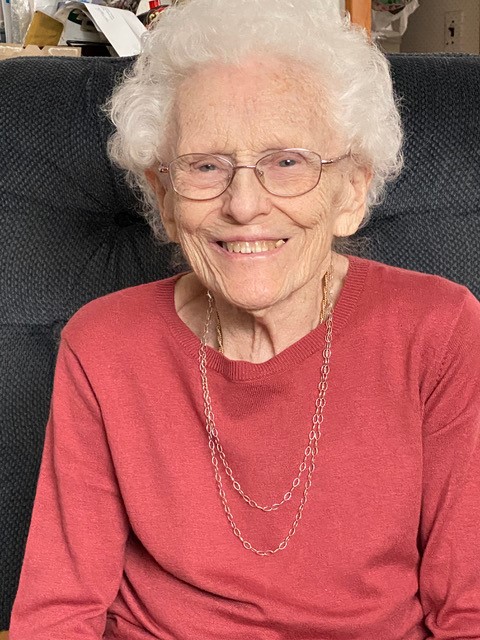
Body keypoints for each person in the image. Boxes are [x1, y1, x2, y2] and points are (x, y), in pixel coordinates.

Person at [9, 0, 480, 638]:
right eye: (206, 166)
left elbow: (469, 611)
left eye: (287, 161)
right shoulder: (102, 346)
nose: (244, 205)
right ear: (163, 197)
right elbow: (58, 614)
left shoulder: (441, 331)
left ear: (351, 190)